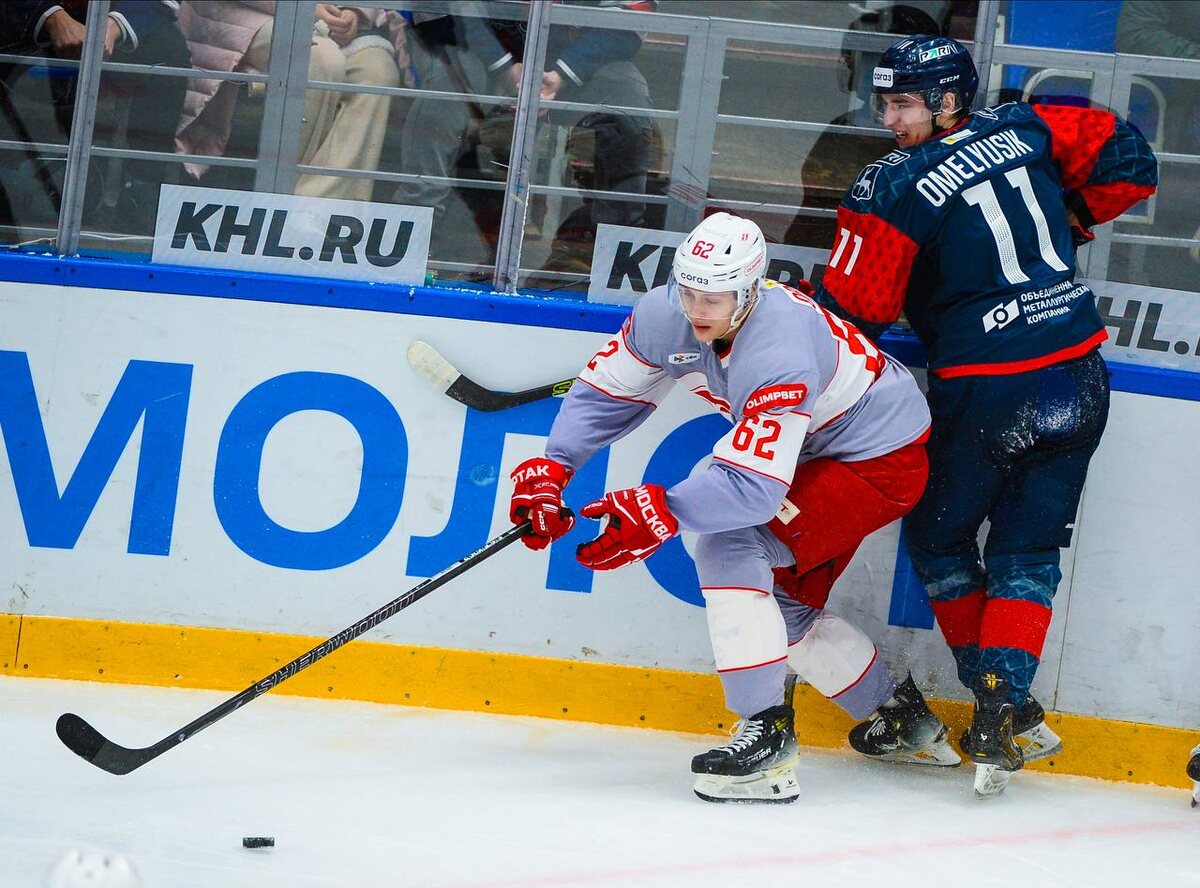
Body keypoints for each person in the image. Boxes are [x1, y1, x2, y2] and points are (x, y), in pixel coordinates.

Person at [506, 211, 959, 805]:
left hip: (875, 459)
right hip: (814, 453)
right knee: (781, 608)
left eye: (713, 298)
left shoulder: (780, 348)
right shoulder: (665, 314)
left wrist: (659, 508)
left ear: (749, 291)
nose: (696, 309)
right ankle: (900, 718)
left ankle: (766, 736)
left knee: (732, 544)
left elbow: (752, 490)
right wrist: (553, 467)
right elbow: (606, 393)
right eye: (688, 290)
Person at [812, 34, 1158, 797]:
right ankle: (1005, 708)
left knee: (938, 540)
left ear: (946, 100)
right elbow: (1132, 162)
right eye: (885, 101)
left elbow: (856, 311)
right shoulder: (1029, 125)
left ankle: (1001, 700)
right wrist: (1068, 219)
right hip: (1078, 374)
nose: (890, 117)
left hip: (987, 390)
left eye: (904, 102)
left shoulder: (891, 184)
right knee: (1030, 551)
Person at [392, 1, 654, 268]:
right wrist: (505, 67)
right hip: (468, 45)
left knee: (626, 93)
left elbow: (632, 17)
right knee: (446, 89)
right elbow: (443, 11)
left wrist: (561, 74)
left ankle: (614, 254)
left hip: (567, 60)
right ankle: (414, 231)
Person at [175, 1, 402, 202]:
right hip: (249, 14)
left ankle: (323, 206)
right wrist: (303, 9)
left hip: (332, 20)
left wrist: (354, 11)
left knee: (378, 73)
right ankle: (283, 206)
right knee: (319, 60)